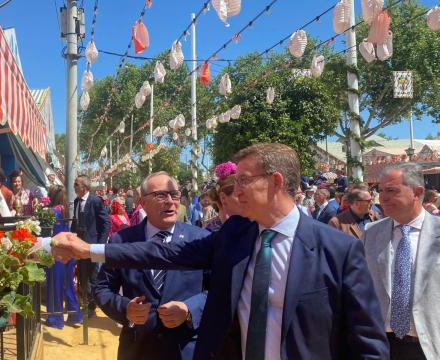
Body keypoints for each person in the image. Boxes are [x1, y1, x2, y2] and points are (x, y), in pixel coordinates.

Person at [52, 143, 388, 359]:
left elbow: (367, 343)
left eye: (243, 180)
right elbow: (166, 255)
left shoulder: (339, 250)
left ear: (275, 183)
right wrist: (90, 250)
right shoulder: (235, 234)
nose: (232, 190)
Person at [94, 172, 210, 360]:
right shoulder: (122, 241)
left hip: (186, 349)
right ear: (143, 202)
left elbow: (218, 291)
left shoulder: (200, 239)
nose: (170, 202)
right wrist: (125, 309)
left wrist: (189, 310)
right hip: (138, 349)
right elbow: (102, 288)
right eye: (161, 195)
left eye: (175, 195)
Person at [363, 163, 440, 360]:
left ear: (417, 192)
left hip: (429, 345)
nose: (383, 197)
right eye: (381, 190)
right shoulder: (371, 232)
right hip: (382, 345)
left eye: (391, 190)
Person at [72, 174, 111, 317]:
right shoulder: (77, 201)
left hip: (92, 246)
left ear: (85, 187)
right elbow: (75, 223)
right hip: (79, 246)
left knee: (93, 278)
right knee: (82, 276)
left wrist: (99, 245)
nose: (74, 187)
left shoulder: (95, 201)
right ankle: (86, 303)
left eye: (77, 184)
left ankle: (92, 306)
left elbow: (106, 224)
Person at [45, 186, 82, 329]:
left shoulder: (52, 212)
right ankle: (75, 316)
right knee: (68, 285)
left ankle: (55, 319)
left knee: (55, 285)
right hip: (68, 252)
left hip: (57, 252)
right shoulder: (64, 210)